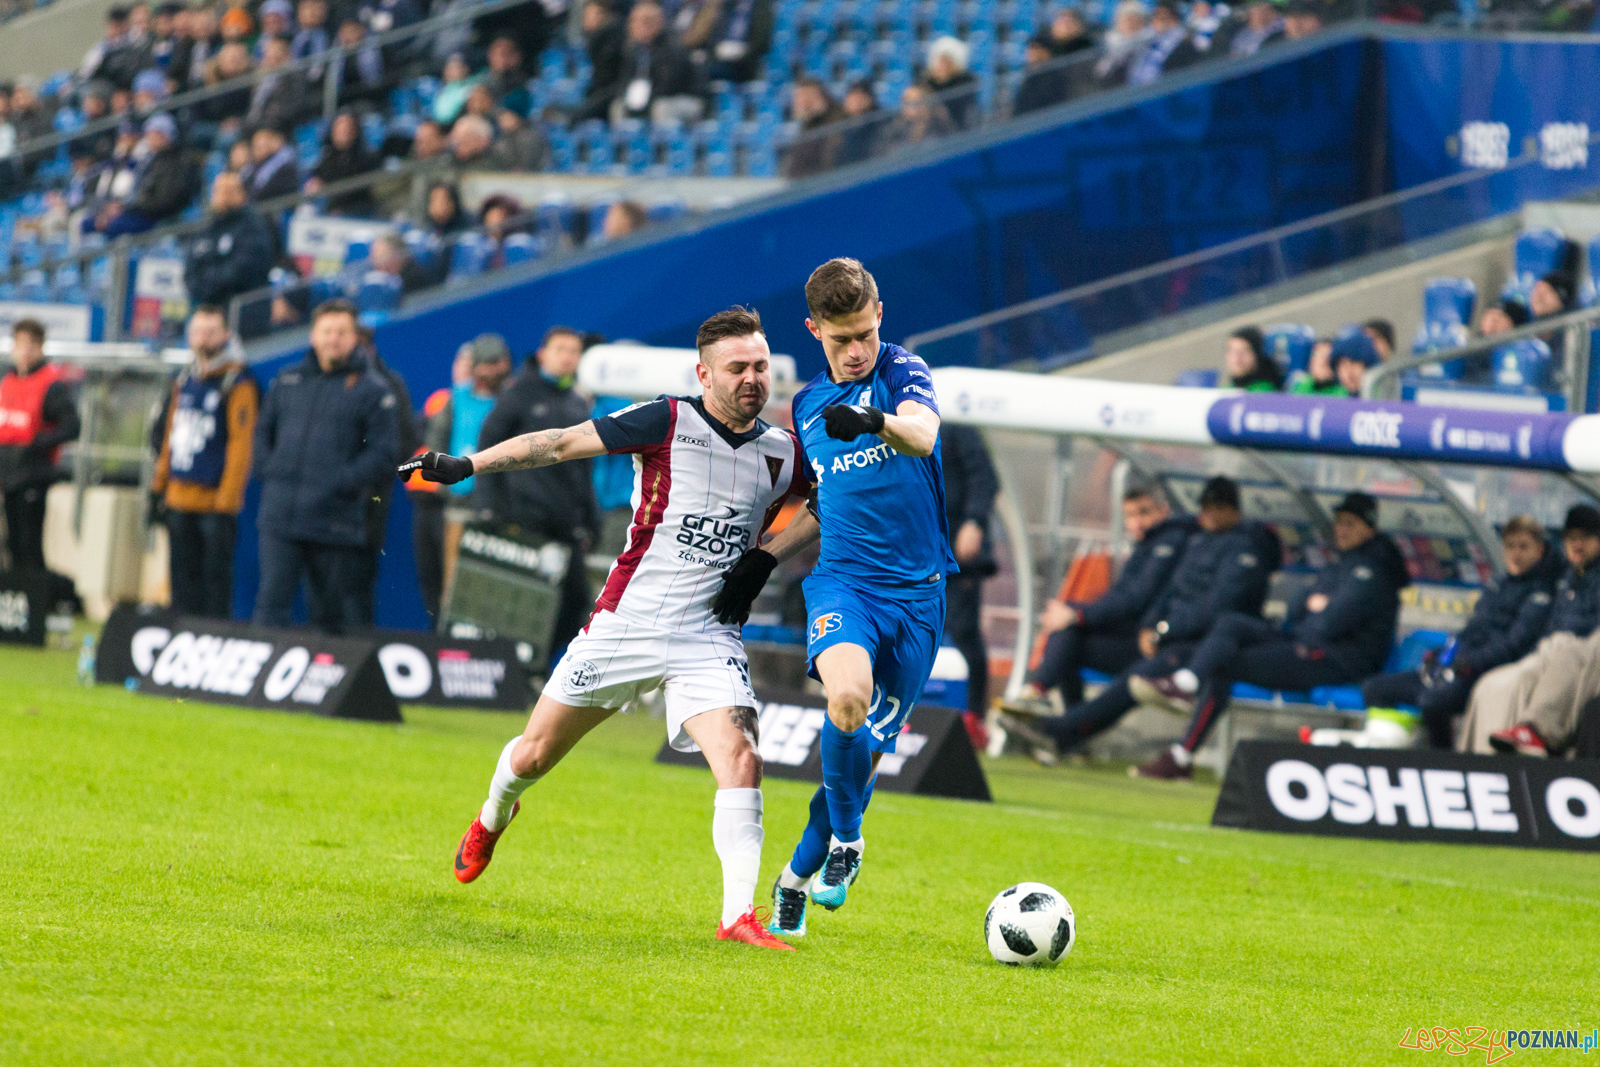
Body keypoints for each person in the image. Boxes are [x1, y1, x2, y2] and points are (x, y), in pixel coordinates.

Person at [400, 307, 808, 951]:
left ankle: (737, 917)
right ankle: (491, 816)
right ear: (705, 374)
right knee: (532, 756)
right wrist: (467, 465)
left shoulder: (785, 453)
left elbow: (825, 505)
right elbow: (558, 443)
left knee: (742, 758)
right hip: (625, 624)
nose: (753, 378)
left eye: (761, 366)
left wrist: (767, 556)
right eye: (738, 368)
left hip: (708, 633)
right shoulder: (666, 420)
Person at [713, 258, 954, 936]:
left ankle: (793, 877)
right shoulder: (809, 405)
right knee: (845, 698)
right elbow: (824, 501)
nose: (855, 352)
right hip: (844, 581)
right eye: (840, 339)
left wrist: (874, 419)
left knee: (862, 758)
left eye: (864, 335)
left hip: (917, 599)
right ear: (815, 330)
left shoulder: (903, 372)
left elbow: (923, 433)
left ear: (879, 313)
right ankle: (850, 842)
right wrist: (764, 557)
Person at [1130, 492, 1411, 779]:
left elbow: (1330, 623)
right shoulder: (1341, 562)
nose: (1341, 529)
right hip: (1304, 643)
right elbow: (1298, 607)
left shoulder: (1373, 570)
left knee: (1223, 664)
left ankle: (1181, 752)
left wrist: (1317, 607)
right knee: (1232, 624)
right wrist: (1314, 606)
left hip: (1335, 660)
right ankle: (1185, 685)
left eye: (1351, 523)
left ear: (1369, 527)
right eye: (1339, 522)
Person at [1003, 477, 1280, 762]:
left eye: (1218, 507)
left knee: (1135, 679)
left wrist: (1161, 630)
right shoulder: (1199, 542)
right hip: (1164, 639)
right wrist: (1150, 626)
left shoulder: (1240, 548)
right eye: (1206, 507)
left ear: (1233, 510)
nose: (1209, 514)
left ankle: (1057, 731)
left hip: (1197, 647)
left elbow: (1215, 608)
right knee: (1071, 633)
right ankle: (1040, 701)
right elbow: (1170, 593)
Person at [252, 300, 399, 634]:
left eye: (342, 332)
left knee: (331, 616)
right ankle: (259, 685)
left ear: (355, 338)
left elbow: (384, 454)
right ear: (313, 335)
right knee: (270, 607)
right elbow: (262, 432)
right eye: (327, 331)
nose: (334, 339)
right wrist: (270, 470)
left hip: (335, 521)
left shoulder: (373, 390)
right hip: (280, 516)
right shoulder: (288, 379)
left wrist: (340, 483)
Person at [1361, 515, 1559, 749]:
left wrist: (1468, 662)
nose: (1516, 554)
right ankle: (1386, 752)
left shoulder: (1543, 592)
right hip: (1457, 669)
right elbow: (1472, 630)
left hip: (1487, 674)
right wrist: (1442, 653)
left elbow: (1514, 645)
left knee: (1434, 702)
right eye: (1510, 546)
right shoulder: (1499, 584)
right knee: (1375, 689)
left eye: (1524, 547)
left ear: (1540, 549)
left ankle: (1442, 761)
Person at [1003, 483, 1194, 714]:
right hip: (1133, 638)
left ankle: (1041, 696)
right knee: (1068, 635)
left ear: (1163, 511)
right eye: (1130, 515)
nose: (1137, 522)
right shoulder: (1147, 546)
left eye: (1144, 512)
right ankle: (1049, 705)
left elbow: (1135, 599)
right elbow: (1123, 597)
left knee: (1069, 631)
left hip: (1154, 647)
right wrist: (1076, 613)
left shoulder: (1170, 543)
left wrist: (1078, 614)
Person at [472, 327, 603, 655]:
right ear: (543, 353)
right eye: (561, 349)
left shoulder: (577, 402)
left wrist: (591, 519)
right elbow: (488, 449)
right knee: (520, 603)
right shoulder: (519, 394)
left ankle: (541, 669)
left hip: (565, 520)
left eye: (574, 351)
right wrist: (488, 506)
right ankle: (516, 671)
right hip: (523, 517)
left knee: (575, 603)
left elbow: (583, 468)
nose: (568, 357)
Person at [1457, 505, 1600, 754]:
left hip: (1587, 658)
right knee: (1495, 685)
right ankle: (1480, 757)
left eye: (1585, 538)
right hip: (1553, 651)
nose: (1577, 545)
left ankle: (1534, 737)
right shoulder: (1567, 577)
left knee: (1564, 646)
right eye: (1571, 538)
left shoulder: (1559, 579)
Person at [150, 307, 259, 618]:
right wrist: (159, 485)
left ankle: (211, 640)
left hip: (214, 501)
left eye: (211, 331)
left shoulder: (237, 381)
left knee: (214, 583)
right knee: (181, 581)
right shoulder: (184, 378)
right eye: (197, 331)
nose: (203, 338)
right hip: (178, 496)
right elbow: (171, 434)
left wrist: (227, 499)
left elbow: (241, 445)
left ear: (226, 334)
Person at [415, 334, 513, 618]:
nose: (496, 370)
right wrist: (446, 486)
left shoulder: (511, 400)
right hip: (459, 504)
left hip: (499, 506)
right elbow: (436, 446)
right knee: (453, 581)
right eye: (490, 364)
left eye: (501, 363)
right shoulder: (455, 400)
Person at [0, 320, 80, 574]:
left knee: (29, 543)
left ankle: (35, 601)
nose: (25, 351)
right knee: (12, 543)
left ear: (41, 347)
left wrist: (36, 444)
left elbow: (71, 427)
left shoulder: (50, 384)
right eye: (20, 344)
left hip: (33, 473)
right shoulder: (8, 382)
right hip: (8, 473)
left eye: (31, 345)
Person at [941, 423, 999, 748]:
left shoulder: (954, 422)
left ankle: (975, 718)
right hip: (915, 548)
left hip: (956, 549)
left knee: (964, 633)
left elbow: (985, 478)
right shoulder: (893, 413)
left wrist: (974, 521)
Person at [184, 171, 277, 332]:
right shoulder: (206, 228)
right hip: (206, 309)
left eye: (229, 191)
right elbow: (191, 270)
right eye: (218, 190)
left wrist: (208, 287)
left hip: (241, 314)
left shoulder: (254, 227)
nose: (223, 196)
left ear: (242, 194)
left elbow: (242, 270)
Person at [82, 112, 198, 237]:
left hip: (154, 216)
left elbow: (163, 201)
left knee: (116, 225)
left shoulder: (178, 163)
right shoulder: (148, 161)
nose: (150, 138)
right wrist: (116, 209)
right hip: (135, 210)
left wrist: (126, 208)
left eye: (155, 134)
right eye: (149, 134)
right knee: (87, 224)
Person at [611, 1, 702, 124]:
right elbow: (625, 80)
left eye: (640, 22)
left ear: (656, 23)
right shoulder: (634, 50)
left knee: (661, 107)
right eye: (632, 21)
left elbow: (668, 87)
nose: (632, 27)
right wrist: (629, 98)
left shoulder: (671, 47)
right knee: (618, 106)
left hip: (685, 99)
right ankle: (625, 142)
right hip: (648, 98)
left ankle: (664, 143)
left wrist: (642, 101)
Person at [306, 110, 379, 215]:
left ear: (355, 131)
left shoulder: (364, 157)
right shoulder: (327, 156)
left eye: (347, 129)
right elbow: (318, 177)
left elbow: (358, 187)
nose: (344, 133)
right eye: (339, 129)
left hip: (356, 211)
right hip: (331, 210)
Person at [1126, 3, 1203, 87]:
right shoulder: (1148, 46)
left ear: (1174, 20)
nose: (1157, 22)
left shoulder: (1185, 44)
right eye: (1156, 18)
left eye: (1163, 18)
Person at [783, 78, 842, 179]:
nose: (804, 104)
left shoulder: (837, 121)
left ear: (823, 97)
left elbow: (831, 160)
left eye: (809, 98)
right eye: (799, 98)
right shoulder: (807, 126)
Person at [577, 0, 625, 122]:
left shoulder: (612, 40)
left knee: (579, 115)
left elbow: (607, 78)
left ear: (602, 16)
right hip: (599, 92)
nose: (585, 19)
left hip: (612, 93)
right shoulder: (593, 40)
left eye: (589, 15)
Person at [921, 36, 979, 130]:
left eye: (947, 63)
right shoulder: (926, 83)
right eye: (940, 62)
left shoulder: (965, 85)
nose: (942, 67)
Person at [877, 83, 954, 151]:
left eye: (916, 101)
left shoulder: (939, 123)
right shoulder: (895, 129)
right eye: (906, 101)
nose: (910, 105)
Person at [1014, 35, 1073, 115]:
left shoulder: (1055, 77)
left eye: (1035, 48)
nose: (1030, 51)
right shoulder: (1028, 77)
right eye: (1030, 48)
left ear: (1046, 51)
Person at [240, 124, 301, 201]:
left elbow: (268, 192)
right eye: (256, 146)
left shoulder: (285, 166)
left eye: (262, 145)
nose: (258, 149)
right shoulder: (252, 169)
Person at [1221, 326, 1282, 391]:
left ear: (1258, 355)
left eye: (1245, 351)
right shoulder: (1225, 389)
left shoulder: (1265, 391)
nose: (1237, 358)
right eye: (1232, 351)